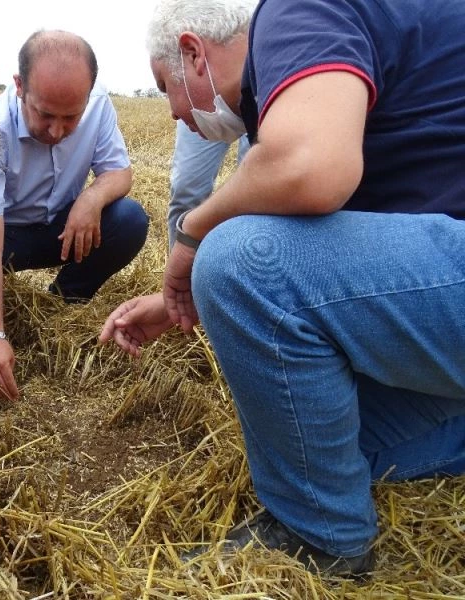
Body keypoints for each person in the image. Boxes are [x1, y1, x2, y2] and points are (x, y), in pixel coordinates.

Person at [101, 0, 465, 578]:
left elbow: (312, 168)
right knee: (320, 448)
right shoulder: (305, 96)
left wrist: (196, 235)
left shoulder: (296, 12)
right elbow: (348, 265)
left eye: (163, 86)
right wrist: (179, 305)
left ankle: (319, 536)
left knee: (239, 257)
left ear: (193, 53)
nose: (171, 113)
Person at [0, 30, 149, 402]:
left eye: (71, 118)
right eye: (45, 115)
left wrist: (91, 198)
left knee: (129, 220)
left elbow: (119, 173)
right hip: (0, 231)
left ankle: (63, 302)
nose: (57, 132)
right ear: (20, 86)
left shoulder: (99, 104)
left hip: (62, 228)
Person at [167, 119, 248, 248]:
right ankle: (181, 261)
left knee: (251, 200)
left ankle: (242, 261)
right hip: (207, 101)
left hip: (261, 102)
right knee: (186, 189)